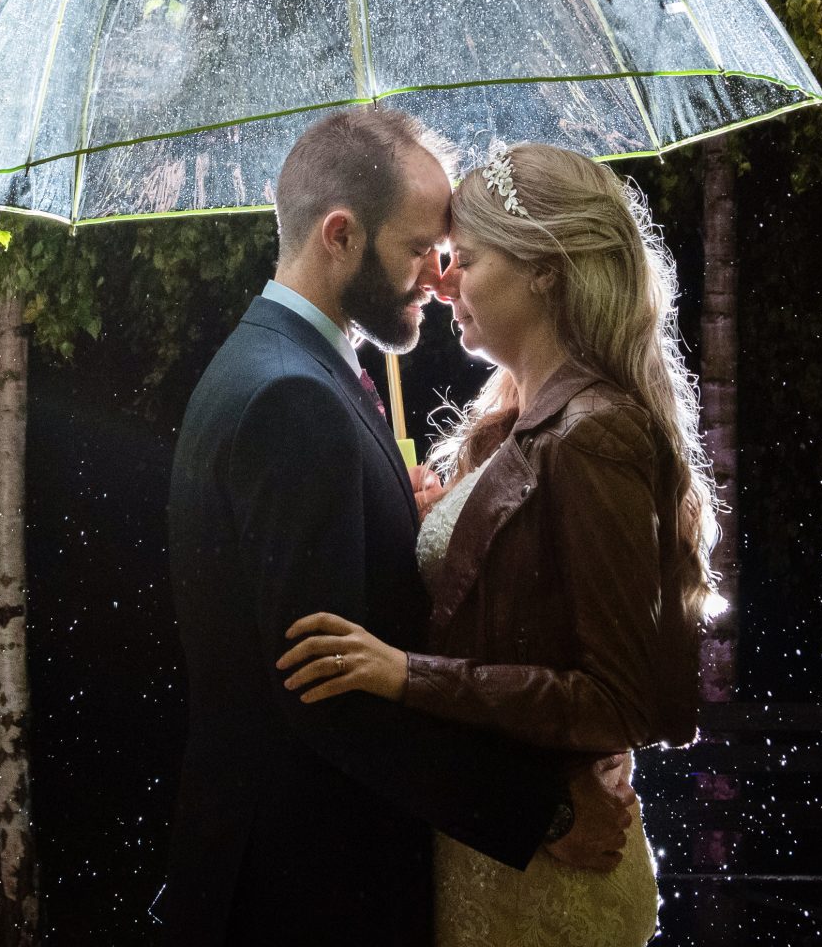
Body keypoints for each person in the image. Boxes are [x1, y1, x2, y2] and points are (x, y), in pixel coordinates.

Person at [162, 108, 638, 947]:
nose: (438, 273)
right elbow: (329, 695)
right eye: (419, 248)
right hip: (307, 894)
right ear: (339, 234)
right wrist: (544, 814)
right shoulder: (292, 401)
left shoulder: (281, 366)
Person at [273, 141, 713, 947]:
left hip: (550, 888)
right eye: (438, 260)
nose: (441, 281)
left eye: (461, 260)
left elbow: (618, 699)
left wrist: (409, 677)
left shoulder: (595, 434)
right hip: (493, 855)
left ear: (544, 271)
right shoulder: (527, 415)